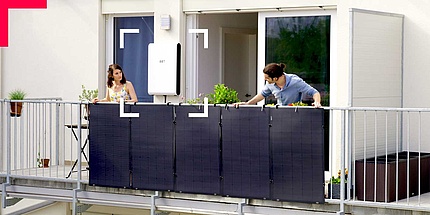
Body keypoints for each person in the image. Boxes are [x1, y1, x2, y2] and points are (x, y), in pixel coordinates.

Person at [234, 63, 321, 108]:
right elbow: (262, 95)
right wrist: (247, 104)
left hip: (295, 114)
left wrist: (317, 102)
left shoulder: (295, 81)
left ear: (275, 78)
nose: (265, 80)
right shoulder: (270, 84)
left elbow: (314, 92)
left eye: (267, 78)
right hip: (279, 114)